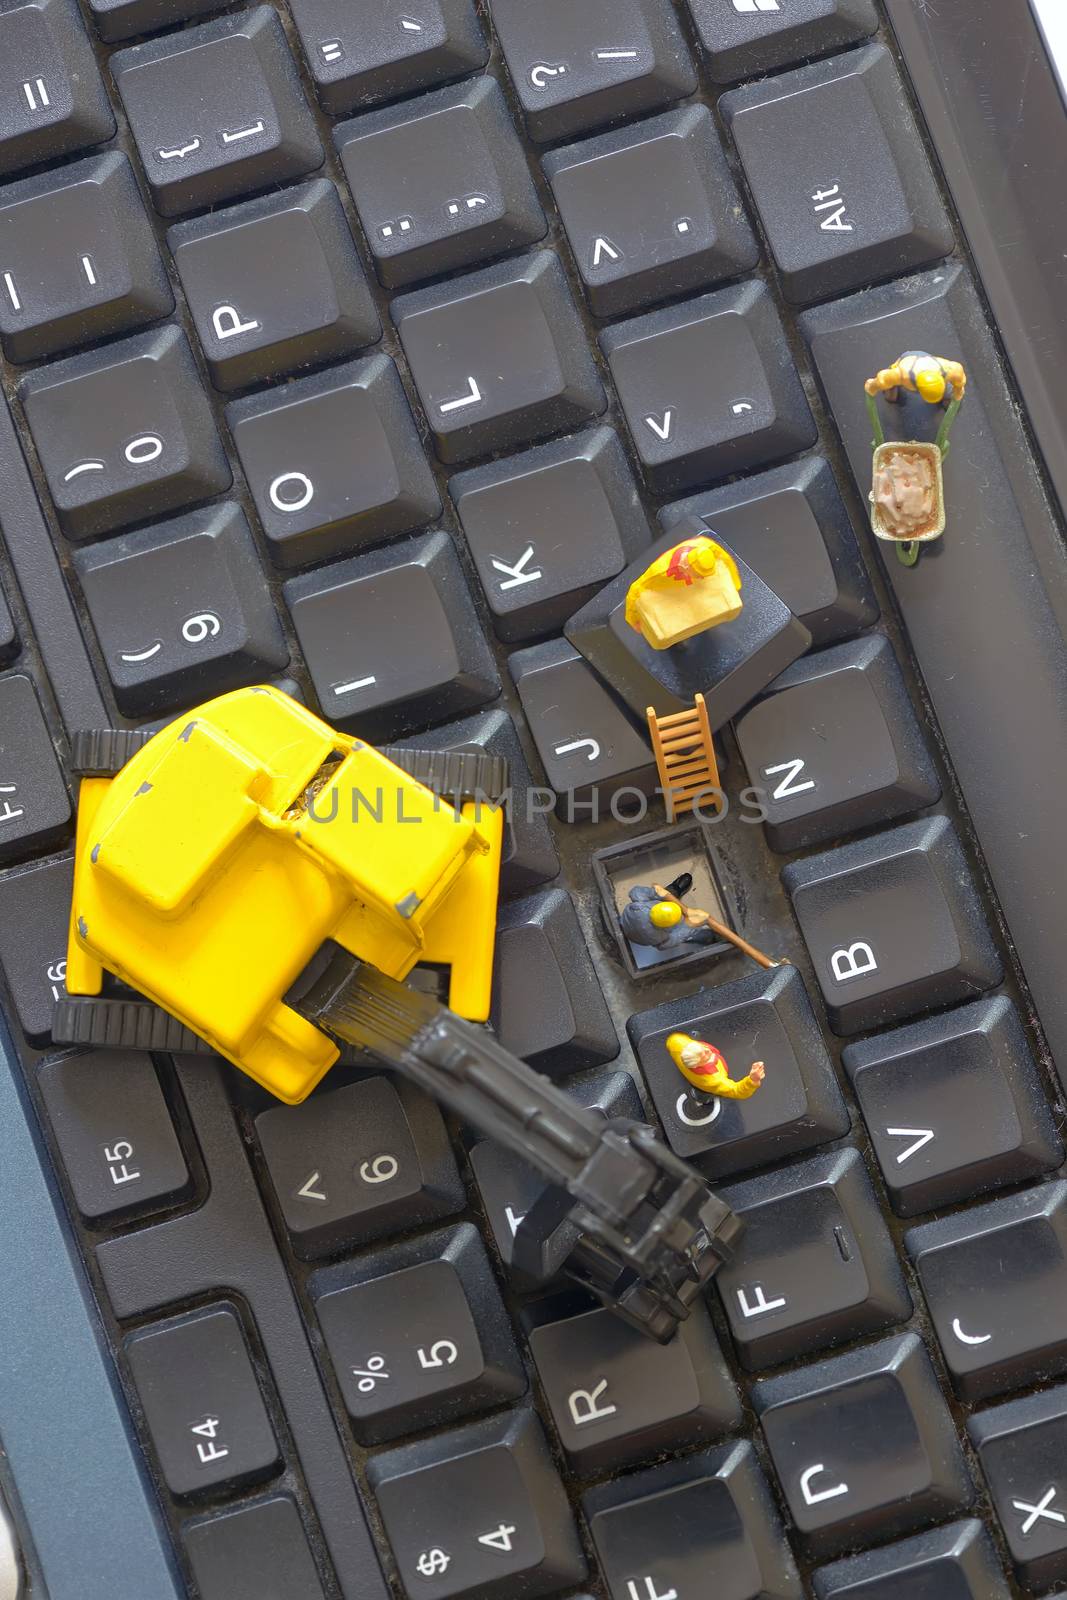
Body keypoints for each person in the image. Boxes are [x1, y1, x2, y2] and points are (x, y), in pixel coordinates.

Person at [618, 875, 722, 950]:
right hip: (640, 938)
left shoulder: (639, 906)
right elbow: (668, 943)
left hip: (626, 923)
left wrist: (657, 893)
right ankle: (702, 936)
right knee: (685, 934)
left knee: (664, 895)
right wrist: (690, 925)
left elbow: (635, 891)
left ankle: (673, 890)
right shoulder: (660, 937)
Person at [666, 1033, 766, 1099]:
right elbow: (736, 1091)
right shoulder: (714, 1080)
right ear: (697, 1065)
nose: (707, 1050)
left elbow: (673, 1039)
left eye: (702, 1047)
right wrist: (752, 1080)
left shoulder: (680, 1043)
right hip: (705, 1089)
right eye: (703, 1055)